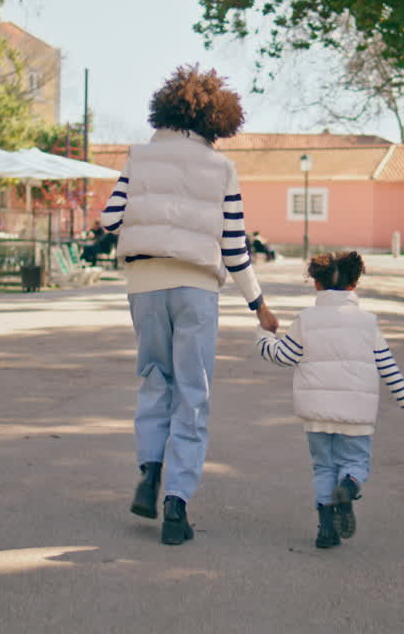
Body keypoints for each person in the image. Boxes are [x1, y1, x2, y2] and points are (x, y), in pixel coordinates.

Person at [100, 64, 279, 546]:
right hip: (196, 289)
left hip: (144, 285)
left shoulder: (139, 157)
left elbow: (110, 218)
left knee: (154, 379)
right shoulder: (221, 168)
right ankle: (176, 504)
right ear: (217, 121)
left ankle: (149, 471)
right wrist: (258, 304)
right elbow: (235, 246)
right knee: (192, 392)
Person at [255, 251, 404, 549]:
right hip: (356, 416)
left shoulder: (305, 320)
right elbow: (390, 371)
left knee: (323, 467)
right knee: (355, 462)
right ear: (354, 284)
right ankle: (348, 485)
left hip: (316, 415)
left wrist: (263, 335)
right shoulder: (367, 323)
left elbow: (282, 356)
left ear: (317, 284)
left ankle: (326, 530)